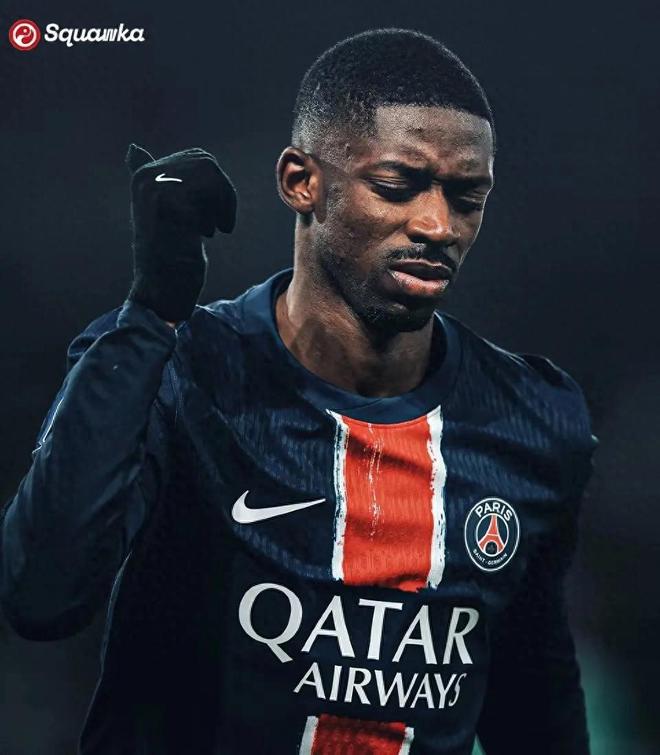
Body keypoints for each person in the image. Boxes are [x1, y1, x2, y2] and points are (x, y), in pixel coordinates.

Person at [0, 28, 597, 755]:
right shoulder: (177, 371)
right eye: (397, 185)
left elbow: (535, 710)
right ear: (300, 181)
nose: (438, 225)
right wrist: (150, 314)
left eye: (467, 197)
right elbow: (42, 596)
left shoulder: (534, 419)